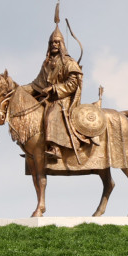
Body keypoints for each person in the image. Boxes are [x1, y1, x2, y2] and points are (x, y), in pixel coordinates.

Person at [31, 22, 84, 162]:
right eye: (51, 42)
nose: (54, 44)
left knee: (52, 115)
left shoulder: (68, 62)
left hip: (63, 99)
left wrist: (54, 88)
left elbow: (73, 83)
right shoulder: (46, 64)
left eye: (57, 42)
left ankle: (55, 148)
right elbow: (36, 84)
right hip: (48, 99)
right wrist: (19, 90)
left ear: (62, 44)